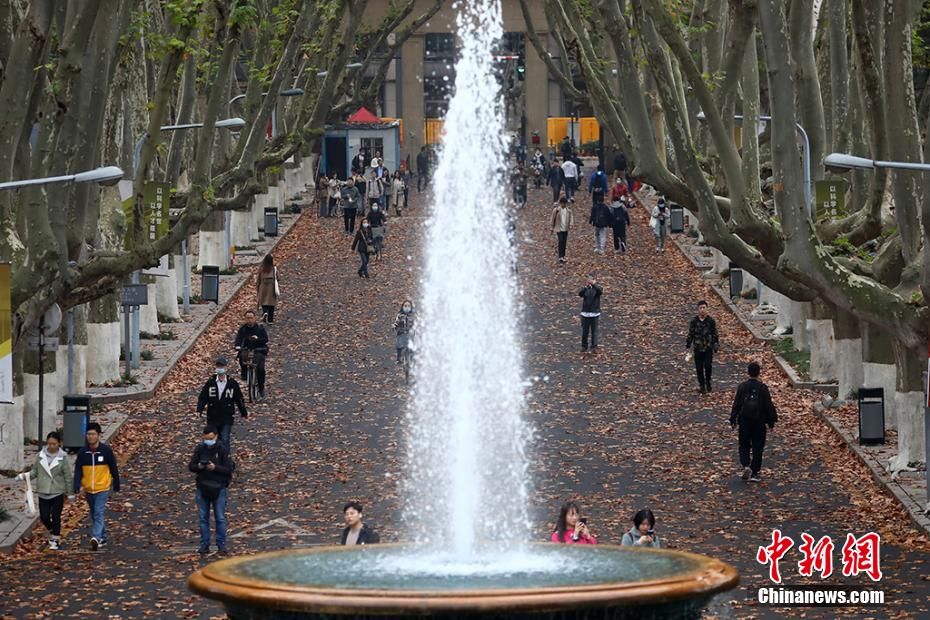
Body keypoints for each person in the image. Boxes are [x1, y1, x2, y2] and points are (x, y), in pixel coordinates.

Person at [18, 431, 73, 550]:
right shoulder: (40, 456)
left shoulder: (62, 457)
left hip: (57, 491)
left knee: (56, 516)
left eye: (54, 444)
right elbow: (34, 472)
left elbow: (67, 476)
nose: (52, 446)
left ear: (59, 443)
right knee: (44, 516)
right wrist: (24, 476)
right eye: (49, 444)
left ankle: (55, 539)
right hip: (43, 491)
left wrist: (70, 493)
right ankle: (52, 530)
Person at [73, 423, 120, 551]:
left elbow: (113, 468)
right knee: (94, 514)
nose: (90, 437)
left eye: (93, 434)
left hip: (102, 488)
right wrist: (77, 485)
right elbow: (78, 470)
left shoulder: (106, 451)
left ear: (99, 435)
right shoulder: (83, 453)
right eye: (88, 434)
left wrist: (116, 482)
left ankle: (96, 537)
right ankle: (103, 536)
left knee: (98, 512)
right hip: (89, 489)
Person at [189, 425, 234, 556]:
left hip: (218, 487)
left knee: (220, 518)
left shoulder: (222, 450)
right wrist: (199, 466)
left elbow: (229, 469)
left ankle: (221, 545)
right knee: (203, 518)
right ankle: (204, 544)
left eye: (211, 438)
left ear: (216, 436)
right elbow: (191, 466)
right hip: (203, 486)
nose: (208, 440)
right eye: (206, 438)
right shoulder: (200, 449)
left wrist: (214, 468)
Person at [730, 362, 778, 482]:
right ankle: (755, 471)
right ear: (758, 372)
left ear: (748, 372)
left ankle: (746, 465)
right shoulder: (762, 388)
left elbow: (737, 404)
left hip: (745, 420)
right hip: (759, 421)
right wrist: (771, 421)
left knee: (744, 444)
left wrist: (733, 419)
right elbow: (768, 405)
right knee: (758, 446)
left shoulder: (742, 387)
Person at [197, 357, 248, 449]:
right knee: (212, 439)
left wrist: (243, 412)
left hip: (226, 416)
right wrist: (199, 409)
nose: (220, 368)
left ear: (226, 368)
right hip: (213, 416)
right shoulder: (211, 382)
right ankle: (212, 457)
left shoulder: (232, 383)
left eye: (222, 366)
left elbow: (239, 398)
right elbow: (203, 397)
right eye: (218, 366)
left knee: (225, 439)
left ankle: (224, 460)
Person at [685, 300, 719, 393]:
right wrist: (688, 344)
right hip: (697, 348)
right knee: (699, 368)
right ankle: (702, 385)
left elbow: (714, 333)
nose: (702, 310)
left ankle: (708, 381)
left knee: (708, 366)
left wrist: (716, 344)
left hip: (708, 347)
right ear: (698, 310)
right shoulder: (694, 321)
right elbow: (691, 333)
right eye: (700, 308)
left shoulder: (711, 321)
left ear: (707, 309)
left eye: (704, 308)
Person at [235, 309, 269, 399]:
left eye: (251, 318)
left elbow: (266, 339)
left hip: (259, 350)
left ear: (254, 318)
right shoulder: (243, 329)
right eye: (247, 318)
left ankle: (261, 388)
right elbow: (238, 339)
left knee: (260, 369)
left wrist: (257, 339)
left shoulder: (260, 328)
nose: (249, 320)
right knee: (242, 357)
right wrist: (237, 346)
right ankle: (244, 373)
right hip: (247, 349)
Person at [578, 274, 602, 353]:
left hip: (594, 313)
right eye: (588, 280)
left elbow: (600, 291)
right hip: (585, 313)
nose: (590, 281)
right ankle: (584, 346)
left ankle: (594, 347)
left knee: (594, 331)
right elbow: (580, 294)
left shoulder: (597, 288)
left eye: (591, 280)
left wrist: (594, 285)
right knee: (585, 331)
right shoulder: (585, 289)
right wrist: (585, 287)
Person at [256, 254, 279, 324]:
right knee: (271, 304)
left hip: (263, 288)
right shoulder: (273, 269)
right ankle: (270, 320)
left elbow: (258, 280)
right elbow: (277, 278)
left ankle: (265, 312)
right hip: (271, 288)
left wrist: (257, 288)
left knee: (264, 302)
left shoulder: (261, 269)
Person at [550, 196, 574, 263]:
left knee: (564, 242)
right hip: (558, 229)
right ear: (560, 203)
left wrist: (571, 224)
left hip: (565, 229)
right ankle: (560, 256)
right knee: (561, 241)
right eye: (562, 203)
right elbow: (552, 219)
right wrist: (551, 227)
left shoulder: (568, 210)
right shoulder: (556, 210)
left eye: (565, 203)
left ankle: (563, 255)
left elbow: (571, 217)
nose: (563, 205)